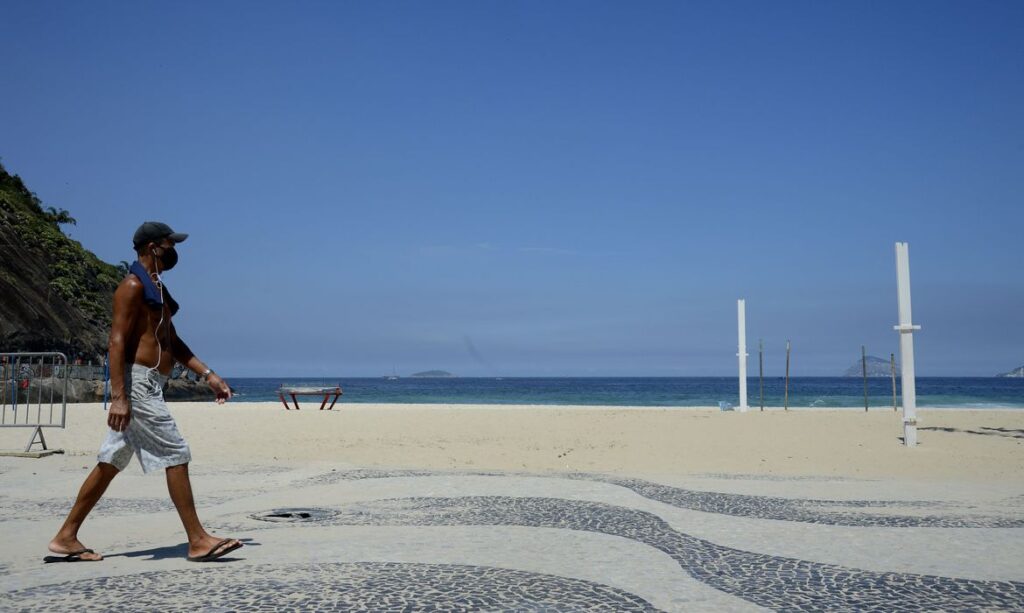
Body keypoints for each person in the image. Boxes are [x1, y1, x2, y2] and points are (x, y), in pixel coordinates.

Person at [47, 222, 242, 563]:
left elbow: (174, 342)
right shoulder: (132, 286)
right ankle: (197, 539)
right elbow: (117, 341)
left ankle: (66, 536)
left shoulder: (158, 290)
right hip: (139, 386)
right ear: (153, 247)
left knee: (111, 461)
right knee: (175, 452)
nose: (174, 250)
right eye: (170, 244)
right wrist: (120, 396)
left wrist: (208, 375)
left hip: (152, 384)